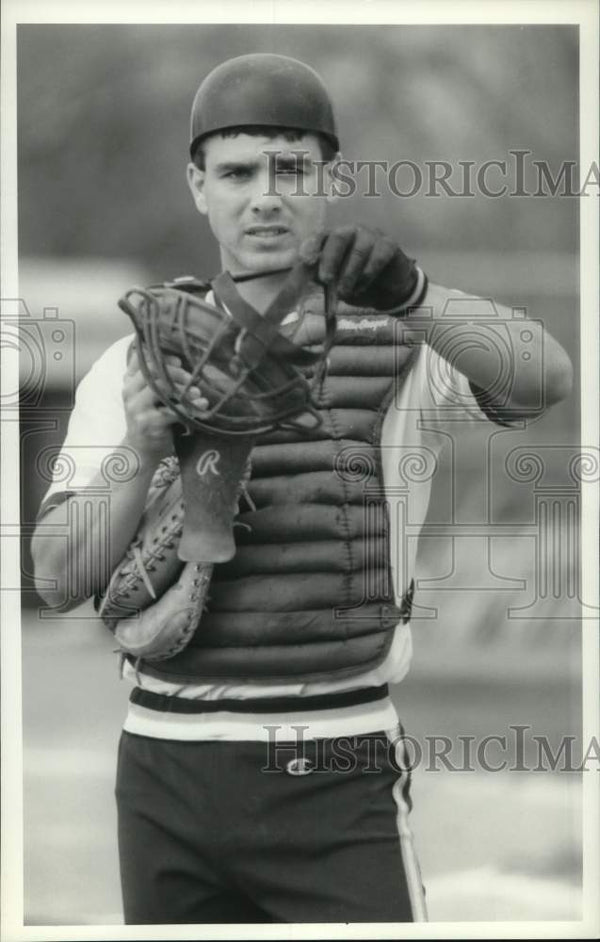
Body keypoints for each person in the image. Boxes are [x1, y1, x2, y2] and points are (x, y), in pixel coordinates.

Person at [31, 53, 573, 925]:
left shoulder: (396, 345)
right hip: (167, 769)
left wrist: (415, 293)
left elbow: (546, 379)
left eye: (293, 169)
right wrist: (139, 445)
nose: (266, 195)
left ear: (332, 179)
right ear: (197, 184)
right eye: (238, 171)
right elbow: (54, 577)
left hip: (339, 763)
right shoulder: (133, 360)